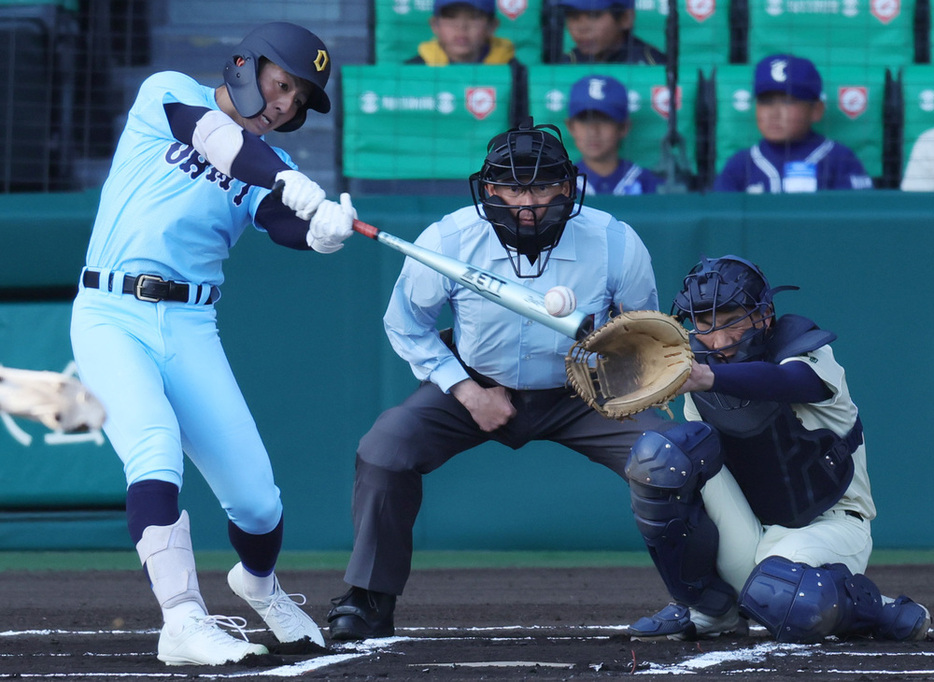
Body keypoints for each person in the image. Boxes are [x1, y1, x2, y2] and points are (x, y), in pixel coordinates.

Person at [69, 22, 356, 666]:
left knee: (257, 502)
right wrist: (284, 181)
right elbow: (212, 139)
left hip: (192, 326)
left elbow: (282, 222)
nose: (285, 104)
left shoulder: (272, 167)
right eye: (281, 84)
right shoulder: (169, 91)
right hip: (111, 313)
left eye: (299, 99)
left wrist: (321, 231)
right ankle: (182, 620)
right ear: (243, 65)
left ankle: (257, 584)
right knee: (154, 447)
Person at [325, 117, 671, 640]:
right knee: (385, 448)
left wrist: (615, 365)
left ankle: (701, 597)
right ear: (489, 189)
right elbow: (405, 324)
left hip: (584, 390)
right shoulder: (448, 238)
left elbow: (643, 332)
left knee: (673, 456)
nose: (526, 202)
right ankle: (369, 599)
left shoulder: (615, 243)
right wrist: (465, 391)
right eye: (511, 186)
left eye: (540, 185)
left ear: (568, 186)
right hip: (476, 384)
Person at [624, 255, 931, 643]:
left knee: (787, 597)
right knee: (661, 458)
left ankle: (878, 610)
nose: (716, 339)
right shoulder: (695, 371)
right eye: (703, 322)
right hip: (753, 528)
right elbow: (700, 460)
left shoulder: (804, 349)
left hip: (832, 523)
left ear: (764, 315)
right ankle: (708, 608)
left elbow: (789, 381)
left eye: (731, 318)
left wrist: (707, 376)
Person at [714, 54, 874, 193]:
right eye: (765, 102)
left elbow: (859, 220)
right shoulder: (741, 163)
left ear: (816, 110)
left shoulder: (840, 159)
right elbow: (720, 220)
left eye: (788, 102)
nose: (774, 113)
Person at [566, 74, 661, 195]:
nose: (593, 131)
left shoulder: (650, 184)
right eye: (585, 120)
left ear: (624, 127)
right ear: (570, 127)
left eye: (604, 120)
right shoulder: (559, 186)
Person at [406, 0, 517, 65]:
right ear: (434, 25)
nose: (461, 27)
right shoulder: (412, 71)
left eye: (473, 17)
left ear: (492, 26)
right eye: (451, 17)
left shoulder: (515, 73)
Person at [555, 0, 665, 65]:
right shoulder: (567, 63)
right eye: (573, 16)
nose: (582, 28)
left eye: (594, 15)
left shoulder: (653, 64)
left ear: (625, 18)